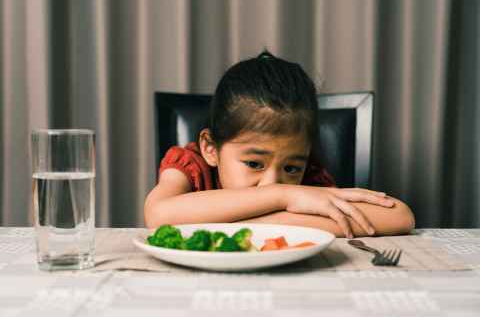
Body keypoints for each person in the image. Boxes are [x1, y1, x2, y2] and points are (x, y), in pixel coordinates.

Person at [144, 51, 415, 238]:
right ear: (210, 148)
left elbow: (399, 217)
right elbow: (157, 214)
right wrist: (284, 196)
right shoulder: (189, 163)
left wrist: (255, 223)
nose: (273, 181)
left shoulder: (310, 177)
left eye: (292, 168)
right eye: (253, 163)